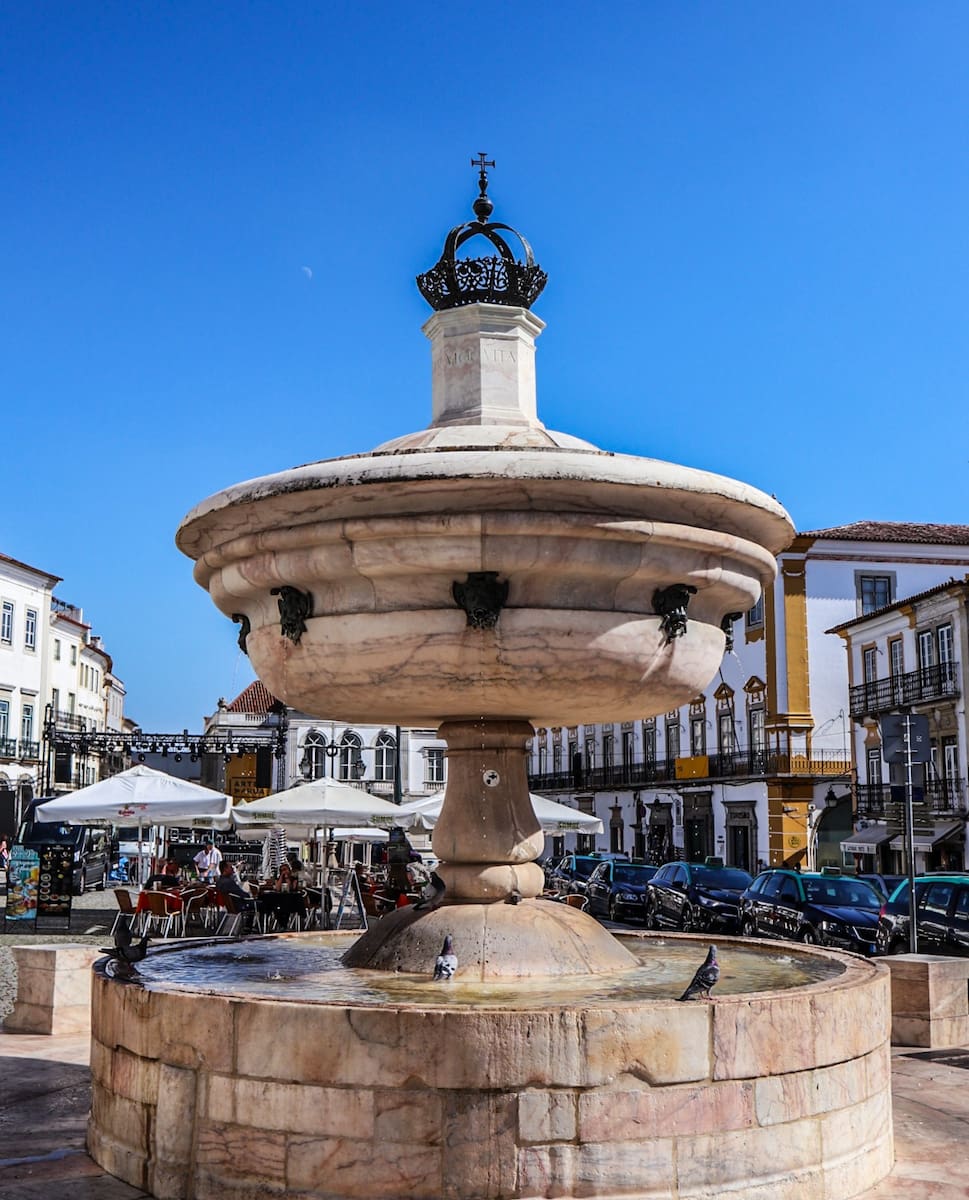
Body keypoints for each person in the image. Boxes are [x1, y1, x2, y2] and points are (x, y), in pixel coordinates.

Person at [215, 862, 255, 931]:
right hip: (238, 905)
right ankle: (250, 927)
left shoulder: (219, 881)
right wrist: (250, 896)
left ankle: (248, 927)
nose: (233, 870)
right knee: (258, 905)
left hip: (229, 905)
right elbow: (243, 895)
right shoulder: (229, 882)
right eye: (231, 868)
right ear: (225, 869)